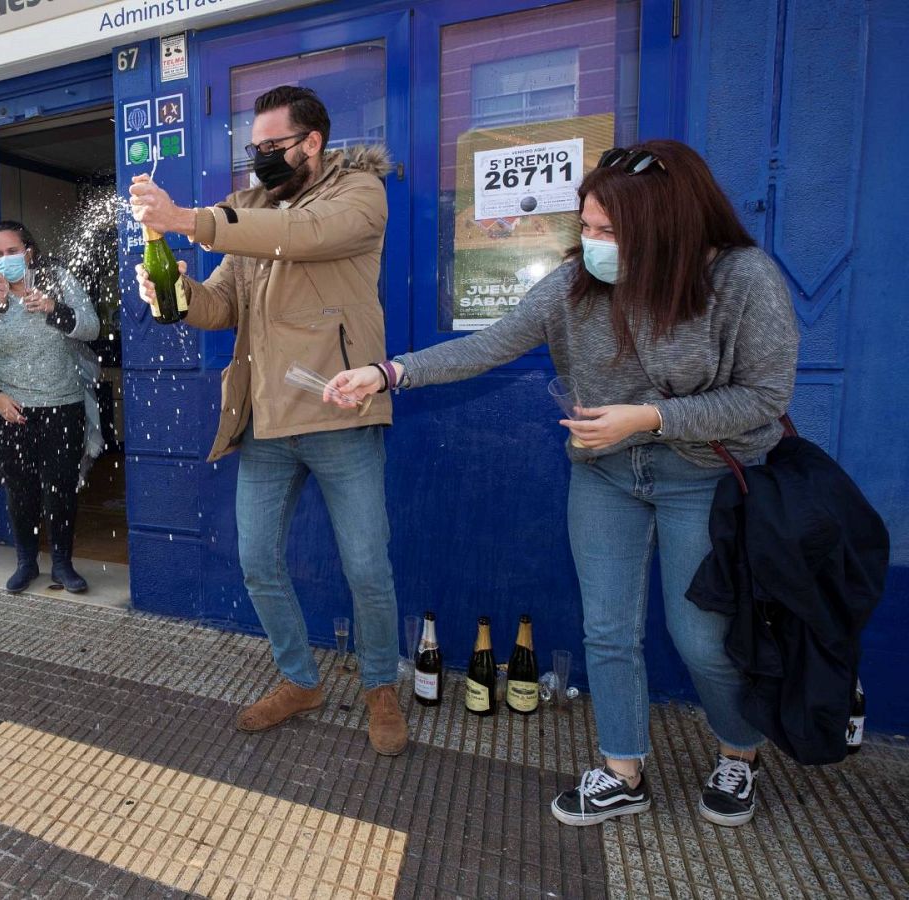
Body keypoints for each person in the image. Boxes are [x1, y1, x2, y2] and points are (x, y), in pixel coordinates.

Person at [324, 140, 799, 827]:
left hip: (701, 473)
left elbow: (763, 395)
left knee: (701, 636)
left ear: (668, 227)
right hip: (604, 472)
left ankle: (738, 752)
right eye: (587, 226)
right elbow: (486, 345)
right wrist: (387, 372)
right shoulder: (576, 285)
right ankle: (623, 769)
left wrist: (649, 416)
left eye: (610, 232)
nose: (593, 243)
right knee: (606, 628)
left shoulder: (742, 280)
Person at [128, 85, 408, 756]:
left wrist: (189, 219)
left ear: (312, 143)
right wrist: (173, 295)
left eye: (272, 146)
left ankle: (380, 687)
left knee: (367, 565)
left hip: (341, 409)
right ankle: (299, 677)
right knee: (257, 559)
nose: (259, 159)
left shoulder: (360, 194)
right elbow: (221, 304)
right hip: (265, 417)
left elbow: (301, 236)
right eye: (253, 148)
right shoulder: (250, 212)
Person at [0, 220, 101, 594]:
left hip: (62, 404)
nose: (5, 259)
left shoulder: (55, 279)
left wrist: (54, 307)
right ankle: (25, 562)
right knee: (19, 489)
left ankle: (62, 564)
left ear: (30, 252)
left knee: (61, 487)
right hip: (8, 408)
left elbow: (91, 327)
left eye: (12, 251)